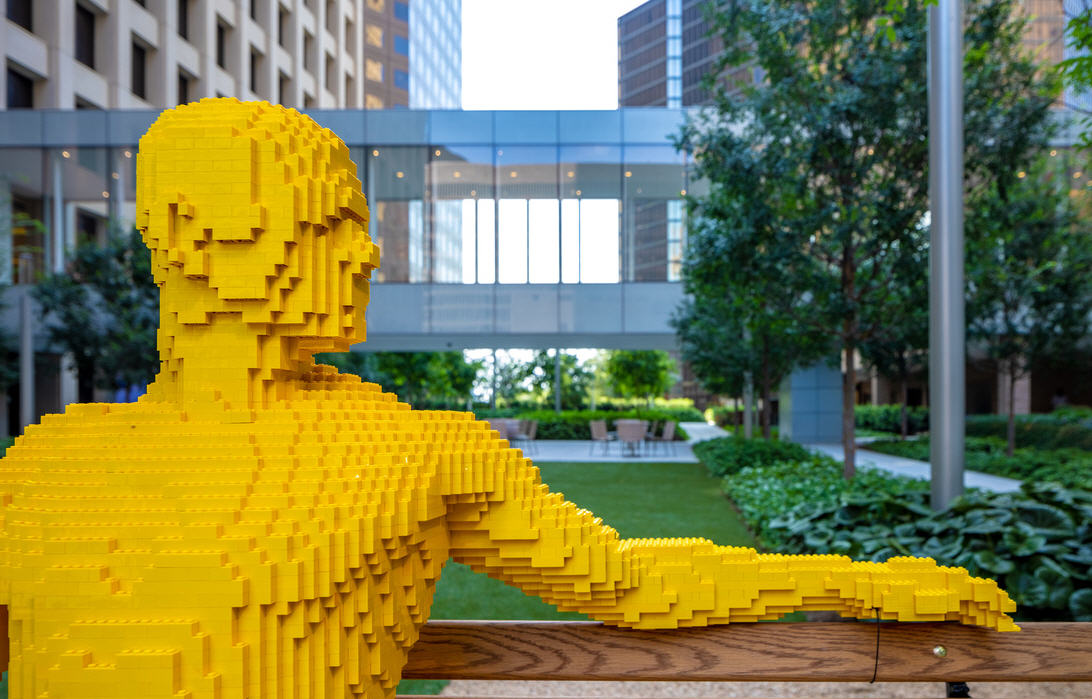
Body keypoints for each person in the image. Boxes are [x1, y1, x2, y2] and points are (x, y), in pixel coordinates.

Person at [0, 99, 1018, 699]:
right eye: (323, 225)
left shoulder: (423, 450)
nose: (366, 252)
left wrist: (850, 579)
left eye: (361, 224)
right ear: (182, 235)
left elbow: (625, 578)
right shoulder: (45, 467)